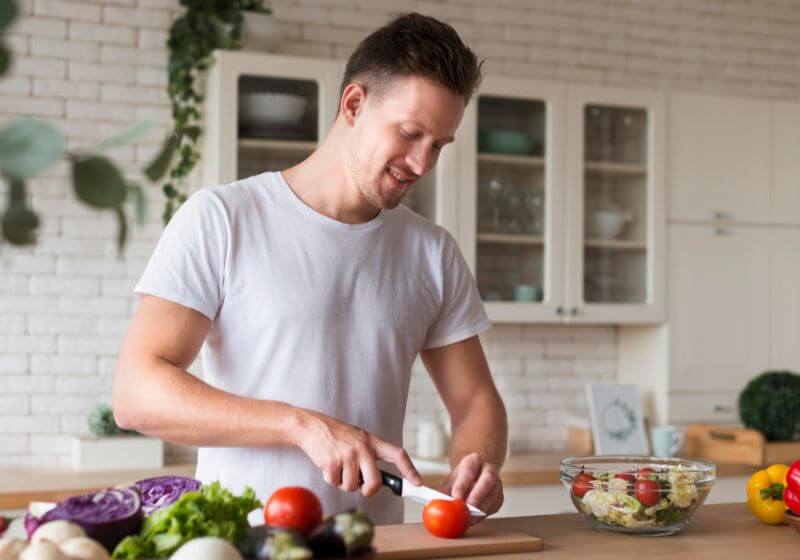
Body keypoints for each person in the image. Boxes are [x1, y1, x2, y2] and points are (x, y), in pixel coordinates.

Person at [112, 12, 508, 525]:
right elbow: (136, 393)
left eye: (438, 146)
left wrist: (477, 462)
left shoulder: (431, 252)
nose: (421, 164)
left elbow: (478, 401)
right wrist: (302, 426)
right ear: (354, 104)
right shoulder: (224, 219)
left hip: (375, 543)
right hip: (241, 543)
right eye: (410, 134)